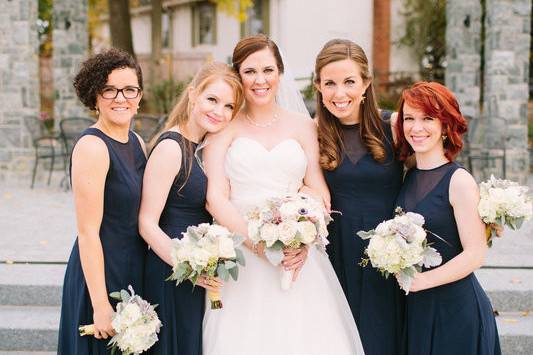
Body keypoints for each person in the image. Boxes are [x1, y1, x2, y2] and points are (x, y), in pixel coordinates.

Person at [202, 34, 364, 355]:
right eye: (250, 72)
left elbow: (318, 188)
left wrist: (302, 237)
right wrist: (257, 243)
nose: (260, 80)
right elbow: (215, 197)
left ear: (280, 73)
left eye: (268, 70)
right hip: (241, 254)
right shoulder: (224, 126)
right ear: (238, 75)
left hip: (295, 255)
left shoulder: (303, 126)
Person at [138, 62, 243, 355]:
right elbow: (146, 223)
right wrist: (187, 267)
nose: (219, 111)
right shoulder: (172, 148)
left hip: (198, 270)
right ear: (193, 95)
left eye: (228, 106)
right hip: (170, 271)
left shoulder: (205, 146)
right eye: (212, 100)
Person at [395, 81, 501, 355]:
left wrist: (421, 282)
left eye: (427, 118)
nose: (416, 128)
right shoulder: (409, 175)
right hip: (418, 308)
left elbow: (475, 254)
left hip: (456, 309)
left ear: (445, 125)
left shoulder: (459, 181)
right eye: (409, 118)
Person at [315, 39, 404, 354]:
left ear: (366, 83)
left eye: (349, 82)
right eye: (330, 83)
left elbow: (433, 175)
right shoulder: (312, 134)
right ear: (319, 87)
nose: (340, 94)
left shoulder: (395, 127)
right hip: (336, 257)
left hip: (388, 256)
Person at [58, 48, 148, 354]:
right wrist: (100, 305)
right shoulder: (93, 147)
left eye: (129, 90)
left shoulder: (136, 142)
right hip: (100, 274)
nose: (120, 98)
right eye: (109, 89)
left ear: (139, 97)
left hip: (132, 267)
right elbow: (88, 232)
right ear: (94, 96)